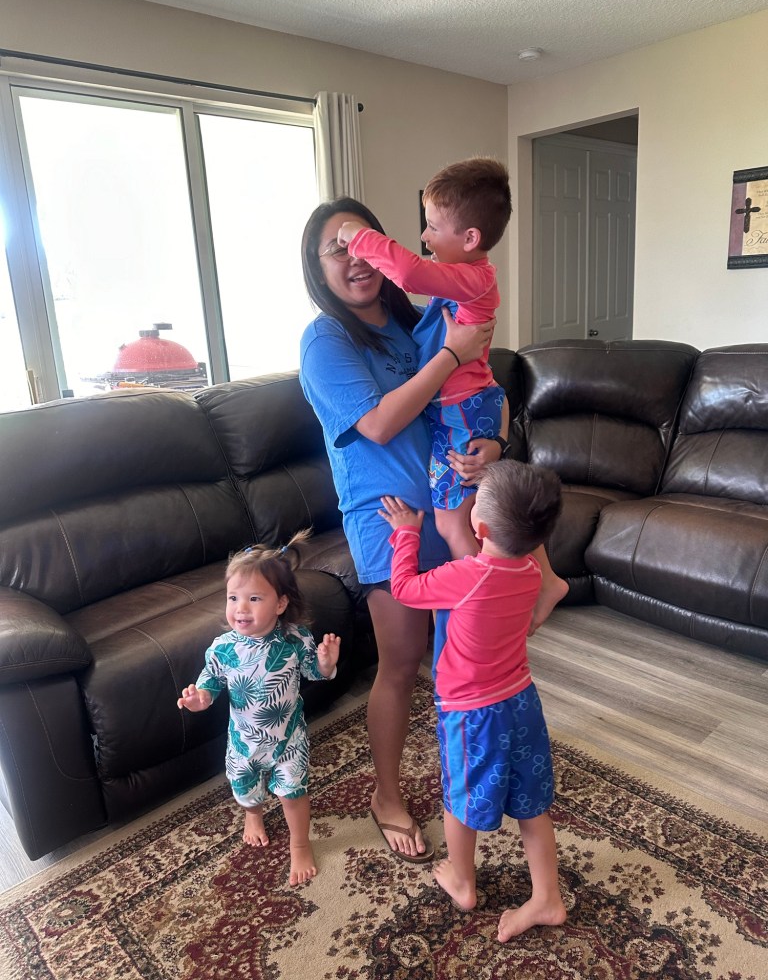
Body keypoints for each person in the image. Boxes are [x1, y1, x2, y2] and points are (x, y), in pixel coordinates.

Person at [299, 196, 500, 863]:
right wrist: (448, 357)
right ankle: (386, 795)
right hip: (387, 520)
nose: (353, 260)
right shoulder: (325, 340)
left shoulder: (413, 319)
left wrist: (494, 442)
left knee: (461, 662)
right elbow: (380, 424)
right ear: (316, 266)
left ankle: (463, 777)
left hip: (450, 506)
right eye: (335, 250)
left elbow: (478, 388)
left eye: (361, 244)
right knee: (402, 660)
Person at [379, 459, 567, 943]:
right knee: (531, 804)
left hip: (471, 715)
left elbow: (404, 588)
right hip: (521, 702)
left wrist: (406, 534)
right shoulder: (530, 570)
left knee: (460, 798)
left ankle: (463, 881)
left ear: (478, 528)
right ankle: (547, 897)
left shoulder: (466, 575)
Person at [335, 157, 510, 562]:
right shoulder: (464, 280)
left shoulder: (473, 279)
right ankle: (520, 582)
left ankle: (482, 589)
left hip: (461, 409)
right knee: (484, 514)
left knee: (455, 523)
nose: (424, 237)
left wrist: (359, 238)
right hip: (464, 408)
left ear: (470, 238)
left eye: (432, 226)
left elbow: (409, 273)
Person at [176, 531, 340, 887]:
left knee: (293, 793)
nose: (241, 608)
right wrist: (200, 699)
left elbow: (314, 672)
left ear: (280, 604)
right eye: (233, 597)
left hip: (288, 740)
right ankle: (253, 814)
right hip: (243, 742)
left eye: (254, 598)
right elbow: (210, 682)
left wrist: (326, 664)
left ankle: (300, 844)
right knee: (245, 789)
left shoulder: (295, 639)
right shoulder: (223, 648)